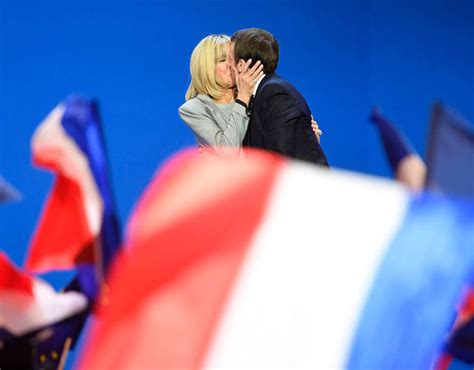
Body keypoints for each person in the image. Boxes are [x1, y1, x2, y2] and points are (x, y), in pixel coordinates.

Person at [179, 34, 322, 153]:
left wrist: (307, 137)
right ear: (206, 68)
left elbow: (275, 145)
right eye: (223, 60)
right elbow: (229, 152)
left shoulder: (259, 95)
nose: (231, 65)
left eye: (232, 58)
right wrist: (242, 99)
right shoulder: (194, 109)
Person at [229, 28, 329, 166]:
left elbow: (282, 159)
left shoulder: (275, 94)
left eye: (229, 59)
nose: (228, 66)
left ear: (240, 65)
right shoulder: (261, 93)